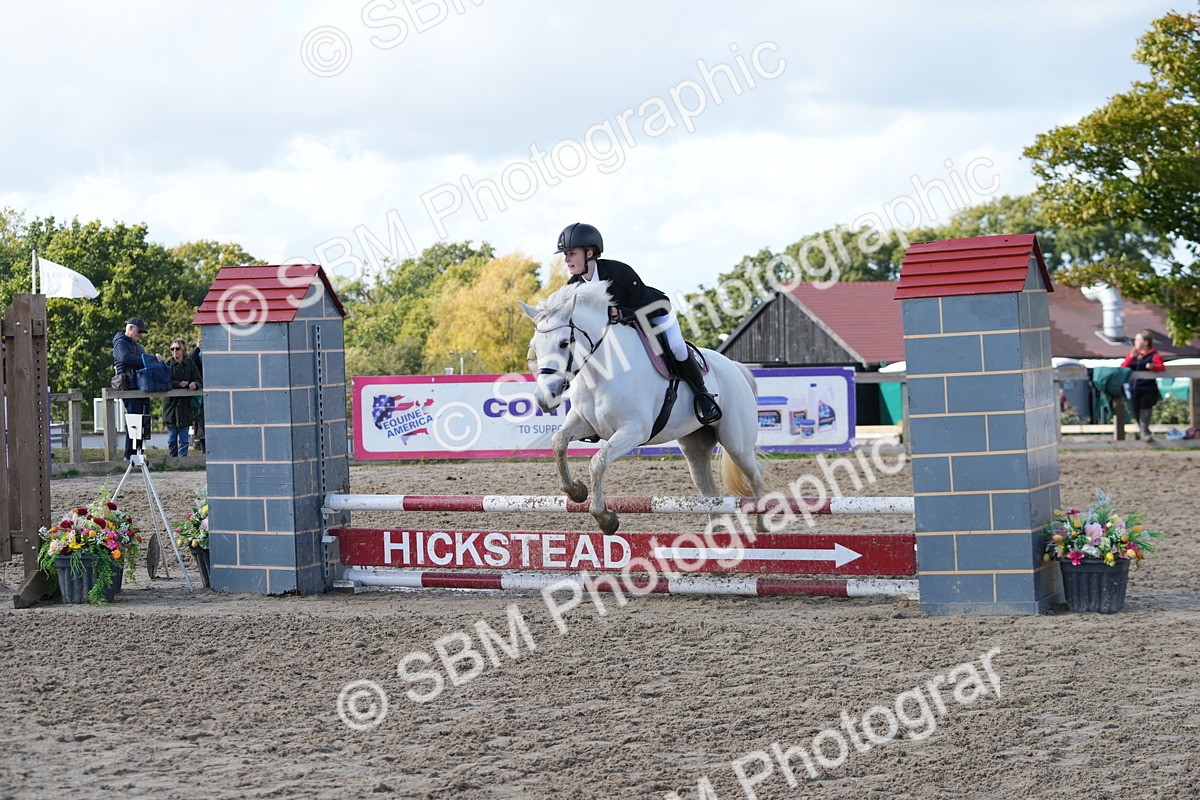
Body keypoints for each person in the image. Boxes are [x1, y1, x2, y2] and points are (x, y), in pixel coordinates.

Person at [556, 222, 721, 424]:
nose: (566, 259)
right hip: (622, 327)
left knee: (677, 347)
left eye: (571, 253)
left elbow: (645, 306)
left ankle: (703, 396)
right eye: (565, 254)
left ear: (589, 253)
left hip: (654, 314)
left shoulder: (619, 272)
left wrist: (621, 313)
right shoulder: (574, 285)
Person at [112, 317, 157, 459]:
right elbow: (124, 358)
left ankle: (139, 452)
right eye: (139, 331)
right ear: (130, 328)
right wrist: (148, 360)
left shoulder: (135, 345)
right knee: (133, 419)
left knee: (142, 419)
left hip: (139, 385)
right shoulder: (120, 342)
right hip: (129, 385)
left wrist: (152, 360)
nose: (140, 335)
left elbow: (144, 359)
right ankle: (129, 454)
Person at [1120, 329, 1166, 442]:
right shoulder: (1133, 355)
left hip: (1148, 388)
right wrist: (1131, 356)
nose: (1135, 341)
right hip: (1134, 389)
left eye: (1137, 340)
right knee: (1135, 412)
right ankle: (1144, 433)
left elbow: (1161, 367)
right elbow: (1123, 367)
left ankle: (1144, 432)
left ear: (1145, 342)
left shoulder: (1154, 355)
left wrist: (1152, 367)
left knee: (1145, 408)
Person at [163, 338, 202, 456]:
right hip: (171, 406)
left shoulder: (190, 364)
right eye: (172, 349)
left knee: (184, 436)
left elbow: (199, 380)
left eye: (177, 348)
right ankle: (172, 459)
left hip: (186, 406)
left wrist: (194, 384)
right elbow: (163, 382)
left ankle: (182, 460)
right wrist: (178, 384)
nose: (175, 351)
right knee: (171, 435)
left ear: (183, 350)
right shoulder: (167, 364)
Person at [188, 340, 205, 454]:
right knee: (200, 423)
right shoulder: (198, 354)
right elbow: (189, 359)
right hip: (200, 396)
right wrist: (197, 347)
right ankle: (204, 450)